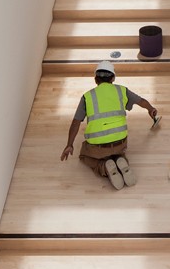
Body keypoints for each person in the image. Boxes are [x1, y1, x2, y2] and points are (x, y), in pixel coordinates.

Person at [60, 60, 158, 189]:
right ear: (113, 78)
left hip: (97, 146)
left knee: (84, 155)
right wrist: (151, 109)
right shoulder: (121, 90)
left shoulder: (87, 96)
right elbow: (142, 101)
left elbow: (76, 122)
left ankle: (104, 167)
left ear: (96, 79)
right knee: (117, 151)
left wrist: (69, 145)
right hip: (120, 142)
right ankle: (121, 160)